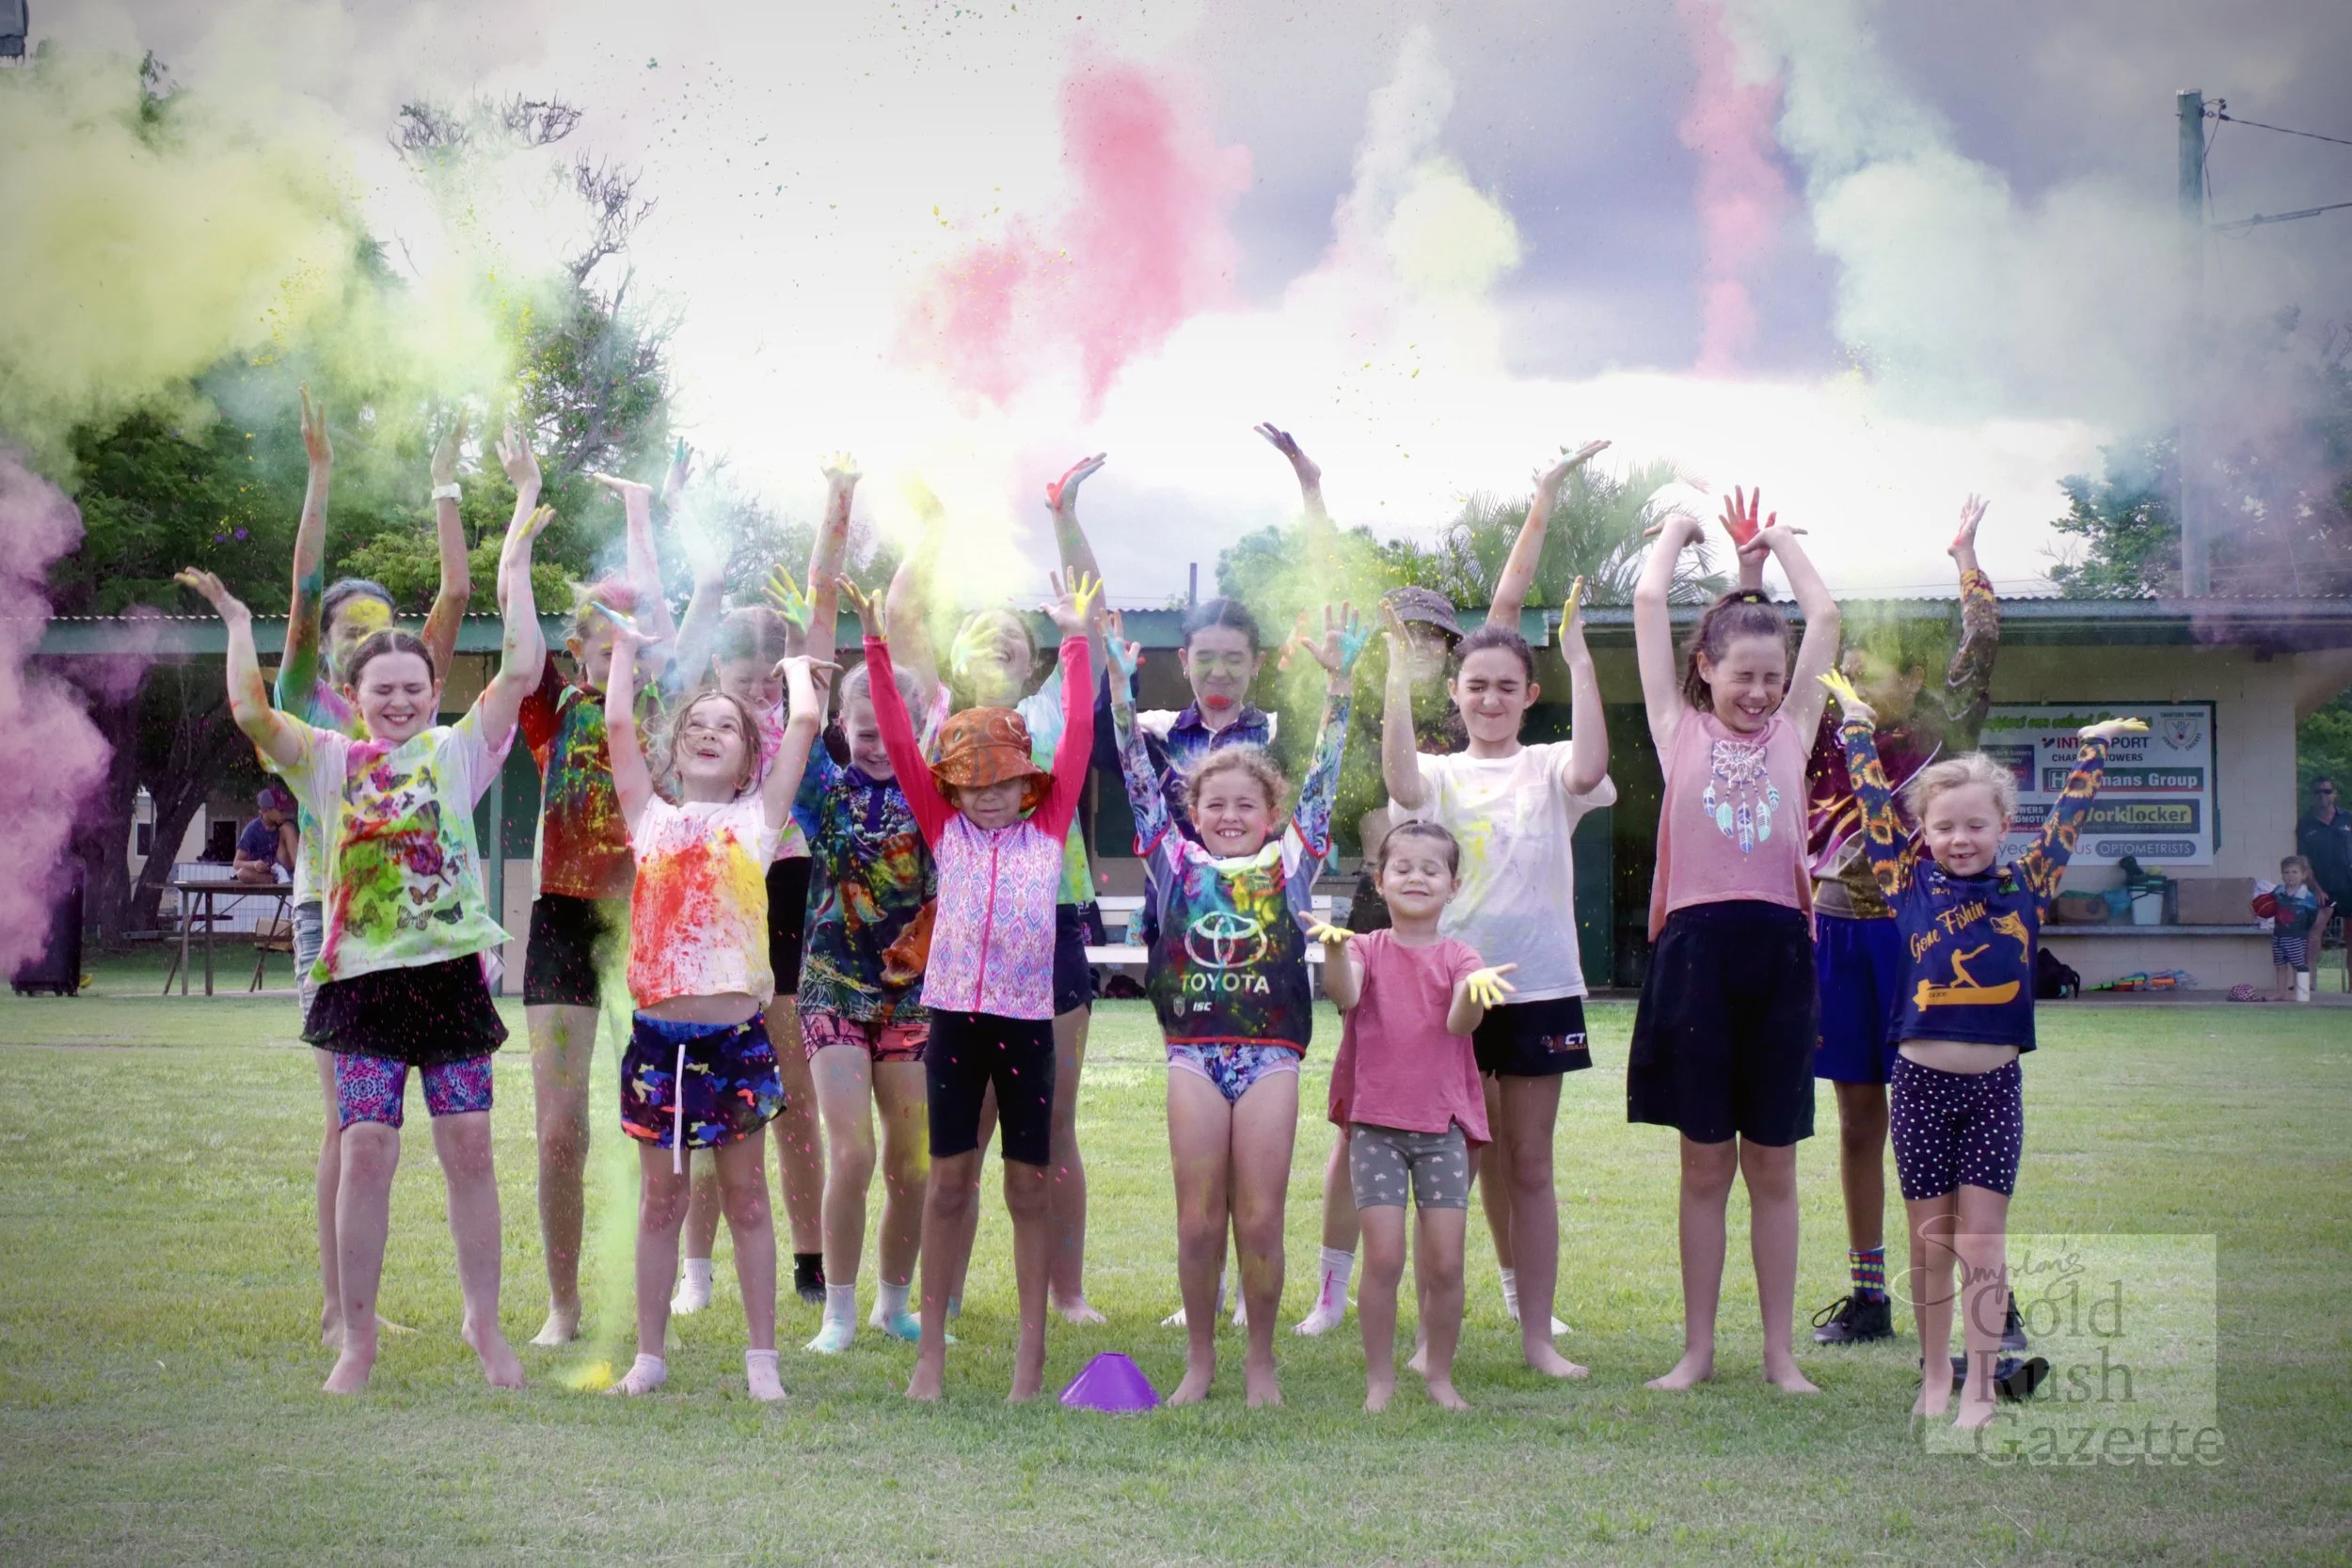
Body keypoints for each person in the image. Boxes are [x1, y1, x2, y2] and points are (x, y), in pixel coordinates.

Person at [174, 485, 548, 1394]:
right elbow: (253, 714)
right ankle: (357, 1339)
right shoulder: (331, 762)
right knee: (367, 1148)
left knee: (468, 1148)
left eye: (414, 689)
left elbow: (526, 667)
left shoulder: (461, 751)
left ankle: (483, 1324)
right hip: (364, 986)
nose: (399, 701)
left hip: (452, 981)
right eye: (382, 690)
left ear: (432, 692)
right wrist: (233, 619)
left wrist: (519, 562)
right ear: (355, 695)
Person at [1823, 671, 2139, 1425]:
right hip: (1921, 1088)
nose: (1959, 839)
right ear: (1924, 833)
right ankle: (1934, 1376)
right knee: (1930, 1242)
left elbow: (2068, 818)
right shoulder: (1905, 882)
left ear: (2003, 826)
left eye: (1975, 825)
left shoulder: (2028, 882)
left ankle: (1978, 1385)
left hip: (1994, 1089)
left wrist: (2090, 754)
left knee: (1983, 1243)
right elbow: (1873, 806)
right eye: (1944, 827)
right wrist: (1857, 727)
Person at [853, 571, 1099, 1403]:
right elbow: (892, 724)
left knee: (1030, 1184)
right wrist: (877, 649)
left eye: (1003, 782)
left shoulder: (1050, 824)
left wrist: (1075, 638)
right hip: (953, 1023)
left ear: (1026, 783)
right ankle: (931, 1358)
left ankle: (1030, 1362)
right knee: (949, 1180)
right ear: (950, 786)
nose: (989, 796)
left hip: (1027, 1024)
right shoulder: (943, 825)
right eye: (973, 783)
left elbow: (1081, 734)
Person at [885, 462, 1122, 1325]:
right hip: (963, 938)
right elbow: (900, 617)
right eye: (983, 634)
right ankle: (939, 1300)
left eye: (1015, 641)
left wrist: (1064, 514)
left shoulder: (1060, 710)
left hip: (1052, 928)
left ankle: (1066, 1289)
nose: (999, 645)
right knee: (965, 1136)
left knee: (1050, 1125)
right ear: (955, 658)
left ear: (1034, 663)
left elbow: (1086, 620)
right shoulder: (940, 711)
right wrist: (935, 524)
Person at [1110, 599, 1359, 1408]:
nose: (1227, 815)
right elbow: (1135, 771)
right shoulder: (1172, 863)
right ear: (1193, 814)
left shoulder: (1292, 866)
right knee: (1196, 1220)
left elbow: (1324, 776)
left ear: (1271, 815)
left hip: (1270, 1058)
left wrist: (1342, 688)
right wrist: (1119, 683)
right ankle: (1199, 1359)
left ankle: (1260, 1361)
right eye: (1213, 804)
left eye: (1245, 805)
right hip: (1193, 1054)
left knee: (1258, 1216)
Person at [272, 390, 474, 1354]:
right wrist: (319, 477)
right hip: (335, 921)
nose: (365, 634)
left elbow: (455, 597)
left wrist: (445, 484)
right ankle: (339, 1305)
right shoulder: (312, 714)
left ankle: (346, 1304)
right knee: (347, 1123)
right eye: (350, 628)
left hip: (426, 934)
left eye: (379, 625)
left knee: (380, 1127)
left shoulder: (412, 698)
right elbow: (303, 591)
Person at [1629, 488, 1839, 1394]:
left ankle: (1780, 1353)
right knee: (1705, 1162)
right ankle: (1699, 1349)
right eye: (1741, 675)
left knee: (1774, 1165)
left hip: (1781, 954)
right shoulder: (1678, 733)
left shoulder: (1796, 730)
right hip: (1696, 958)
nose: (1758, 692)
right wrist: (1677, 535)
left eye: (1772, 675)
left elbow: (1824, 612)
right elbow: (1646, 603)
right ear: (1705, 670)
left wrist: (1780, 543)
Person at [1381, 571, 1613, 1381]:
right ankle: (1429, 1337)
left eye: (1505, 687)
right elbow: (1403, 783)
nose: (1489, 699)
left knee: (1532, 1164)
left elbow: (1590, 771)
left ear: (1528, 693)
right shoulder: (1441, 775)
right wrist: (1392, 679)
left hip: (1541, 988)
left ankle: (1537, 1336)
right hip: (1454, 994)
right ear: (1457, 691)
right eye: (1476, 686)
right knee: (1451, 1164)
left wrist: (1581, 659)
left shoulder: (1550, 765)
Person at [598, 611, 827, 1402]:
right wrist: (627, 647)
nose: (706, 730)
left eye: (725, 726)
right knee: (663, 1197)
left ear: (744, 761)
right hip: (659, 1043)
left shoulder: (757, 821)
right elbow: (619, 719)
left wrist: (797, 668)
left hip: (735, 1039)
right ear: (675, 748)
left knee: (747, 1196)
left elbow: (802, 722)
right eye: (695, 723)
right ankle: (650, 1355)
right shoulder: (650, 819)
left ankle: (763, 1359)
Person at [1801, 497, 2003, 1347]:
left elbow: (1983, 644)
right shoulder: (1816, 730)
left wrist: (1964, 557)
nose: (1851, 679)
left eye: (1869, 668)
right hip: (1837, 934)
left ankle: (1986, 1293)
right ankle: (1870, 1291)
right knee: (1858, 1119)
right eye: (1845, 665)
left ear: (1914, 680)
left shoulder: (1937, 729)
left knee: (1949, 1116)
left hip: (1923, 938)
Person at [667, 456, 855, 1314]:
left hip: (789, 923)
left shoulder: (794, 729)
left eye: (761, 666)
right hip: (711, 934)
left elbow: (817, 617)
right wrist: (677, 507)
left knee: (795, 1103)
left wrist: (835, 504)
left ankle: (811, 1260)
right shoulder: (700, 737)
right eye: (732, 668)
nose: (748, 679)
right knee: (713, 1106)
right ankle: (695, 1270)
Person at [515, 459, 683, 1346]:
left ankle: (656, 1299)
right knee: (559, 1130)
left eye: (630, 631)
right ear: (577, 639)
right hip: (563, 922)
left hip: (647, 922)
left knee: (657, 1121)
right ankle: (563, 1302)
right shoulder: (552, 708)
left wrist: (641, 517)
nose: (619, 639)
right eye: (600, 628)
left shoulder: (655, 705)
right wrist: (517, 519)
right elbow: (514, 630)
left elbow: (654, 617)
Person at [1312, 820, 1516, 1412]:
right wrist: (1332, 950)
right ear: (1380, 880)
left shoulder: (1462, 956)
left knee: (1446, 1262)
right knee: (1383, 1257)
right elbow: (1345, 994)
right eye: (1402, 868)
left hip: (1443, 1131)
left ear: (1453, 886)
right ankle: (1380, 1381)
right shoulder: (1366, 948)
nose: (1416, 878)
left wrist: (1472, 993)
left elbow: (1458, 1025)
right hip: (1375, 1127)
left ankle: (1439, 1377)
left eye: (1432, 870)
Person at [2296, 778, 2352, 963]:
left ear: (2334, 794)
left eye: (2327, 791)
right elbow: (2304, 861)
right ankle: (2308, 985)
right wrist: (2316, 889)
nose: (2322, 796)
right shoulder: (2305, 824)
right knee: (2314, 931)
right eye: (2318, 792)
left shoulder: (2348, 818)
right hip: (2323, 889)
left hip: (2349, 886)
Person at [2269, 855, 2331, 1002]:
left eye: (2294, 872)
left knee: (2298, 965)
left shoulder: (2307, 897)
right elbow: (2268, 907)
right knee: (2280, 965)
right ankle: (2281, 992)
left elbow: (2311, 917)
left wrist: (2302, 930)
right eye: (2286, 872)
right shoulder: (2278, 891)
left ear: (2303, 875)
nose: (2290, 875)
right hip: (2278, 934)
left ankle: (2299, 992)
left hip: (2296, 936)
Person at [234, 785, 296, 884]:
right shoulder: (252, 830)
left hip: (283, 865)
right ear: (265, 811)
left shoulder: (284, 824)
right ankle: (275, 879)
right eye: (281, 810)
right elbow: (236, 863)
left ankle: (298, 872)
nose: (284, 814)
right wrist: (254, 864)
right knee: (242, 874)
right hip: (264, 872)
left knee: (288, 828)